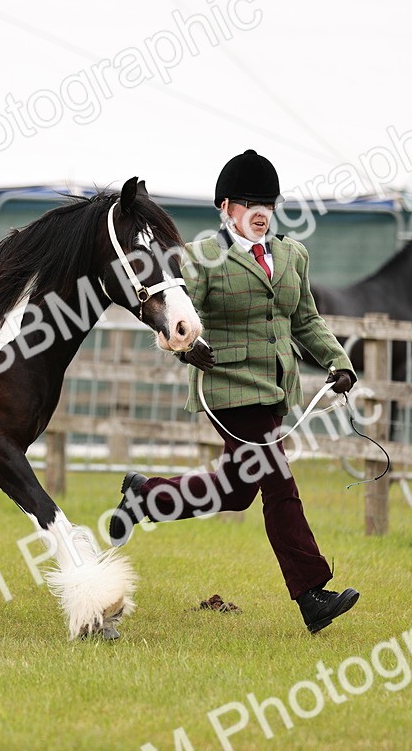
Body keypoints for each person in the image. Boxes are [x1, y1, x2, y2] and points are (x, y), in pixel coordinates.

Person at [105, 149, 361, 634]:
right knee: (280, 487)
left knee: (237, 491)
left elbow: (304, 319)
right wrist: (185, 347)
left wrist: (338, 362)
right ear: (226, 207)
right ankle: (312, 594)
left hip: (274, 390)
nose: (261, 212)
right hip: (227, 389)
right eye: (249, 203)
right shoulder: (202, 260)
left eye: (267, 202)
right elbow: (176, 315)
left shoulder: (291, 255)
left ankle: (144, 498)